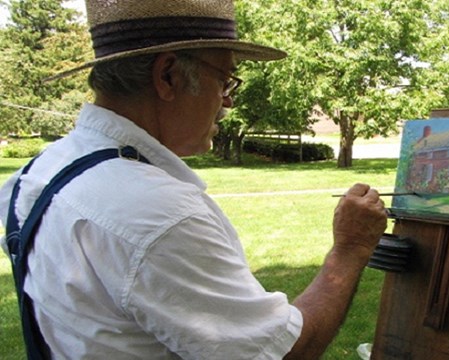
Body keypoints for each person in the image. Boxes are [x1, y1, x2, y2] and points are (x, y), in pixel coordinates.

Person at [0, 0, 388, 359]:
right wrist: (349, 250)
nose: (229, 101)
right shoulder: (157, 214)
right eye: (226, 80)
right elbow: (282, 353)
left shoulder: (37, 173)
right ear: (167, 76)